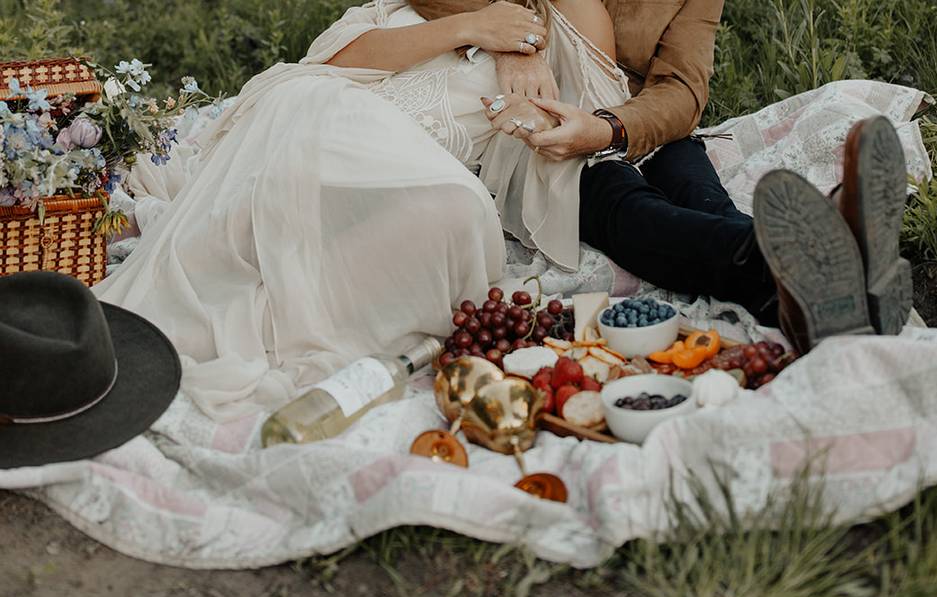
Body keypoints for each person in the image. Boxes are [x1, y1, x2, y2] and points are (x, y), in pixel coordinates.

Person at [93, 0, 637, 418]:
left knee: (461, 211)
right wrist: (476, 26)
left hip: (401, 177)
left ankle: (259, 271)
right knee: (294, 147)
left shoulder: (566, 21)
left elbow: (578, 122)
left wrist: (527, 79)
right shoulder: (415, 11)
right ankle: (231, 248)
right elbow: (331, 60)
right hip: (324, 120)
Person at [409, 0, 914, 350]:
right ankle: (820, 259)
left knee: (704, 197)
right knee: (631, 207)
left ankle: (800, 298)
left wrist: (611, 129)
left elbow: (682, 87)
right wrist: (516, 44)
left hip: (637, 121)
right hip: (554, 116)